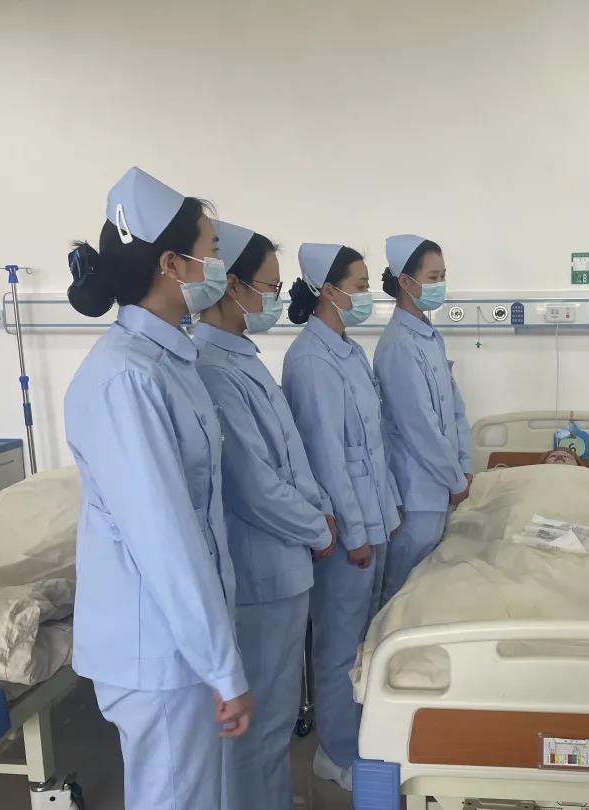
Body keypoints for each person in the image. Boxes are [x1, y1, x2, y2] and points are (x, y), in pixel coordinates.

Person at [63, 167, 253, 810]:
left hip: (179, 641)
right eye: (211, 250)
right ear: (171, 264)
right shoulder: (126, 379)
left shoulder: (168, 359)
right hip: (157, 649)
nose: (219, 266)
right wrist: (220, 664)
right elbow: (165, 539)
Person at [192, 220, 338, 810]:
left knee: (274, 715)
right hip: (259, 572)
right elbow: (253, 485)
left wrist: (319, 512)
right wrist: (316, 526)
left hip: (283, 563)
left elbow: (292, 458)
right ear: (233, 286)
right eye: (270, 288)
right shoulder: (212, 368)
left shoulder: (243, 358)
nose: (277, 300)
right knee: (256, 724)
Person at [281, 241, 402, 790]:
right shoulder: (309, 360)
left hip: (374, 521)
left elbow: (373, 446)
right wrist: (354, 533)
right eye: (359, 285)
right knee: (337, 647)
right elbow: (326, 459)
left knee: (363, 643)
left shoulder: (349, 351)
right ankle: (334, 752)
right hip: (348, 532)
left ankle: (361, 742)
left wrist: (388, 515)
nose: (367, 294)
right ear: (329, 290)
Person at [374, 234, 472, 605]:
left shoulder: (430, 336)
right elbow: (420, 427)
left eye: (442, 276)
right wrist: (455, 478)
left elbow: (454, 409)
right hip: (416, 491)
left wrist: (464, 467)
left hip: (441, 487)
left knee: (427, 594)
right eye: (433, 277)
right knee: (403, 594)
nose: (440, 285)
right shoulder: (398, 344)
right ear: (405, 281)